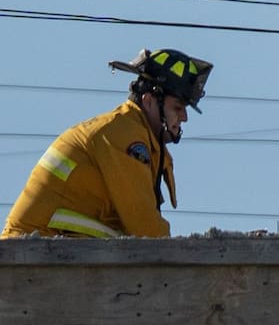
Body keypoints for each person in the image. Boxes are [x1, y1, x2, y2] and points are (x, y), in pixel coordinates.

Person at [2, 48, 213, 238]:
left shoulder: (136, 137)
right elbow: (145, 227)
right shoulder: (123, 136)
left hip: (49, 253)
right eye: (177, 107)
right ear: (149, 101)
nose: (184, 117)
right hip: (36, 256)